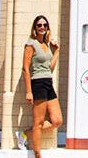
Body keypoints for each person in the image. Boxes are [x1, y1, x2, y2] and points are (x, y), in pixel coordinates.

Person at [16, 15, 62, 156]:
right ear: (35, 28)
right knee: (38, 121)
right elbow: (25, 69)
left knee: (57, 120)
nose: (42, 27)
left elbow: (49, 67)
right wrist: (29, 91)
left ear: (47, 28)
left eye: (44, 25)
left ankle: (24, 134)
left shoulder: (47, 45)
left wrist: (56, 51)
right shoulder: (31, 44)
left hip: (48, 82)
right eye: (39, 25)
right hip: (38, 83)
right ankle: (37, 154)